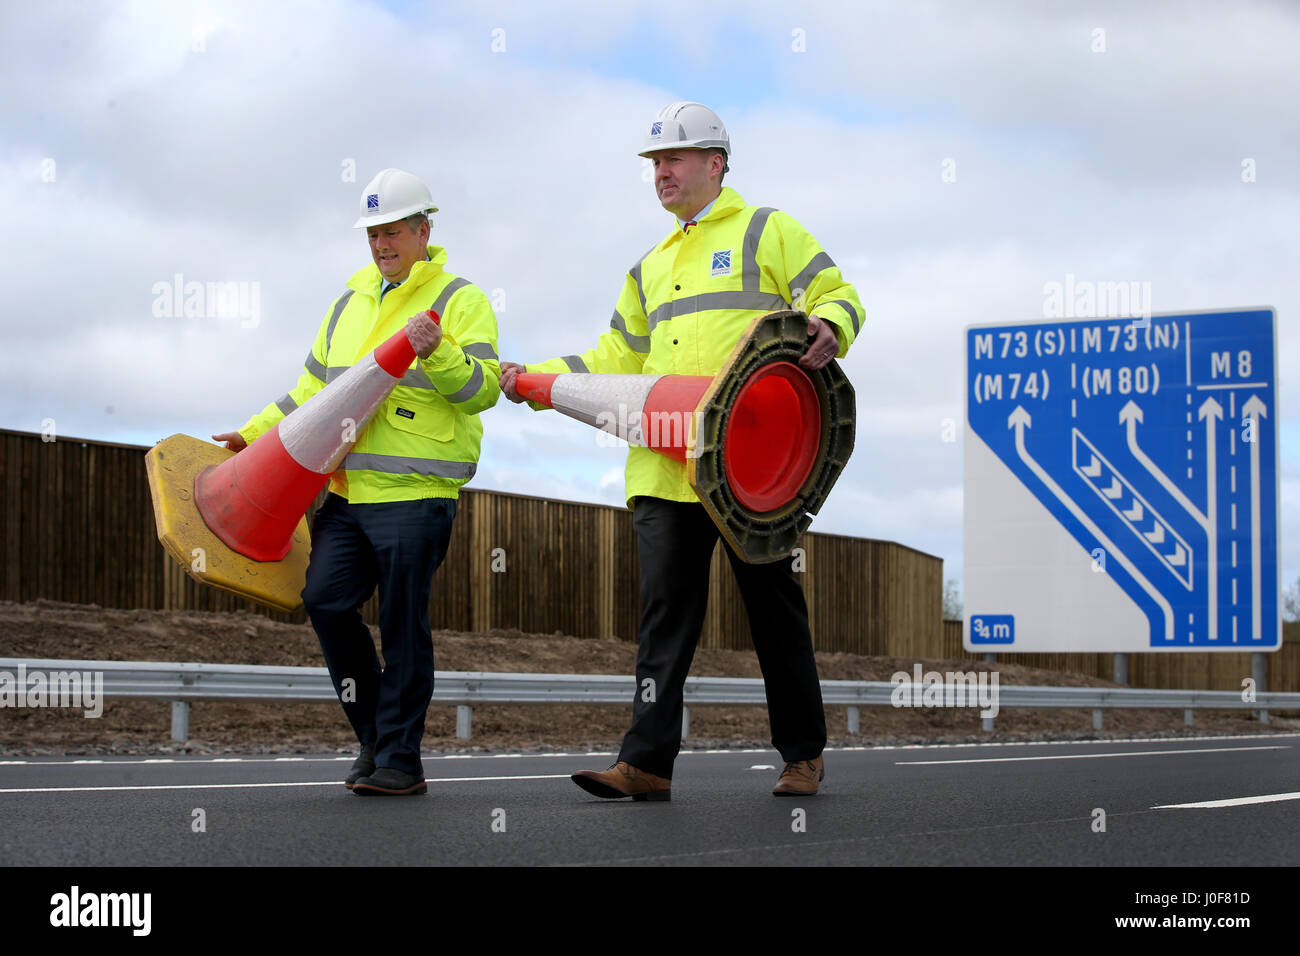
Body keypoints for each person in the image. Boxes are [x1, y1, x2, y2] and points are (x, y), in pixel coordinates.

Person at [499, 102, 863, 800]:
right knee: (664, 620)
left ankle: (802, 753)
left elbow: (836, 292)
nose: (660, 172)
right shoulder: (649, 266)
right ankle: (647, 763)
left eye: (673, 158)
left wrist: (833, 323)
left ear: (715, 163)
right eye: (654, 163)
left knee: (774, 612)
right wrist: (538, 380)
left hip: (753, 472)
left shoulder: (767, 230)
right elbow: (615, 359)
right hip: (666, 472)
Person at [214, 168, 500, 796]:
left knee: (402, 626)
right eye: (373, 233)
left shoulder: (460, 300)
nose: (380, 244)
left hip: (416, 495)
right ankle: (375, 734)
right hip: (344, 494)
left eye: (392, 231)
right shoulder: (347, 304)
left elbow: (481, 391)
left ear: (424, 230)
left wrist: (437, 351)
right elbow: (312, 393)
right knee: (325, 600)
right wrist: (252, 434)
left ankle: (400, 761)